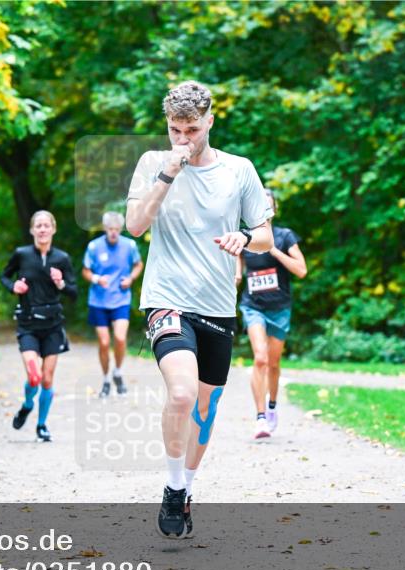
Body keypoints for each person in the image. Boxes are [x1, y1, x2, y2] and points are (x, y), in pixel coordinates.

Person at [125, 81, 275, 539]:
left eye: (192, 129)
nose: (183, 139)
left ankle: (186, 487)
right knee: (184, 393)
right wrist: (167, 174)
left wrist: (245, 239)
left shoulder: (239, 170)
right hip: (166, 299)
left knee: (205, 407)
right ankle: (172, 487)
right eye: (175, 130)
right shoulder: (153, 163)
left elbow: (266, 234)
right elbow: (135, 225)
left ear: (210, 121)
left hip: (216, 306)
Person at [0, 210, 77, 442]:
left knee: (47, 379)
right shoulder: (21, 254)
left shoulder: (62, 258)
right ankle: (27, 404)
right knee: (34, 377)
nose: (42, 229)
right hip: (28, 324)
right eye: (38, 225)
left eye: (46, 225)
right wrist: (13, 287)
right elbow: (3, 276)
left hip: (53, 325)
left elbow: (74, 293)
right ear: (33, 230)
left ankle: (42, 425)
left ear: (53, 229)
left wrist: (61, 283)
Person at [236, 188, 307, 439]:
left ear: (274, 210)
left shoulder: (285, 236)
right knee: (261, 359)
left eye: (267, 207)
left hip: (279, 308)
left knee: (274, 364)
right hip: (253, 306)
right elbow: (236, 273)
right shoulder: (245, 238)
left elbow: (301, 270)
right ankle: (260, 418)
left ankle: (273, 406)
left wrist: (275, 251)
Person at [81, 211, 144, 397]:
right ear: (105, 229)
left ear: (121, 229)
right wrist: (96, 278)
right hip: (98, 301)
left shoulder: (129, 245)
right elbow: (85, 271)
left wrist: (131, 279)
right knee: (103, 342)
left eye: (117, 229)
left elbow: (138, 264)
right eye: (110, 229)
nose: (114, 233)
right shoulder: (94, 247)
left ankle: (118, 371)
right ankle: (106, 378)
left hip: (120, 299)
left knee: (120, 338)